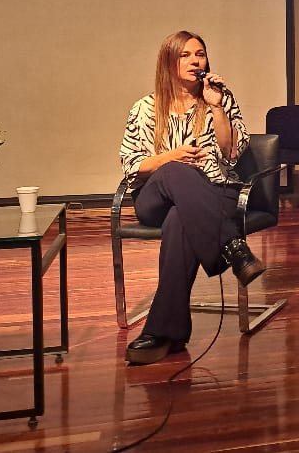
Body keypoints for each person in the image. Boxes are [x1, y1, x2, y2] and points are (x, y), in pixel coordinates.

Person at [119, 30, 266, 365]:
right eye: (185, 55)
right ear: (168, 62)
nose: (195, 61)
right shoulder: (145, 108)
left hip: (213, 191)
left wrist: (217, 107)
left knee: (179, 220)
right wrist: (170, 158)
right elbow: (132, 166)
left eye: (199, 54)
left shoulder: (220, 99)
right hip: (155, 197)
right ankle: (234, 248)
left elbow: (232, 154)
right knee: (175, 171)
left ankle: (165, 332)